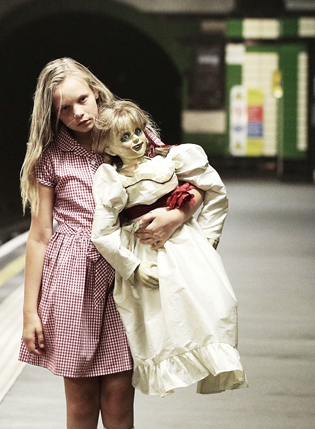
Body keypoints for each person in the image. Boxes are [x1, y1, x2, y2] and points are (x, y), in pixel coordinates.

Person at [19, 58, 200, 429]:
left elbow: (189, 181)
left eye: (83, 99)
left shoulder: (130, 133)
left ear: (97, 92)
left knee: (119, 397)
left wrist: (175, 211)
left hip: (127, 278)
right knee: (80, 401)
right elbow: (39, 236)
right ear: (52, 116)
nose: (78, 112)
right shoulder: (50, 158)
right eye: (64, 108)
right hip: (71, 282)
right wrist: (29, 311)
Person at [91, 100, 246, 397]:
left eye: (137, 131)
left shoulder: (171, 159)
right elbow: (102, 233)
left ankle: (216, 361)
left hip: (188, 248)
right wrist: (132, 266)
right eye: (124, 137)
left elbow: (215, 191)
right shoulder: (112, 180)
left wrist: (208, 240)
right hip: (146, 255)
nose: (135, 140)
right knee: (161, 320)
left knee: (215, 304)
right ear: (108, 147)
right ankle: (175, 369)